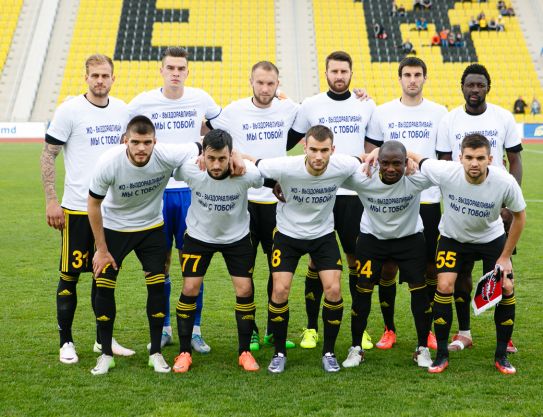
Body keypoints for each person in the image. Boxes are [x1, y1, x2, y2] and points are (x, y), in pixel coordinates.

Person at [87, 115, 202, 375]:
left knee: (157, 288)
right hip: (115, 228)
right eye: (136, 142)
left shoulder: (166, 153)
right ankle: (105, 353)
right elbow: (93, 205)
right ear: (125, 140)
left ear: (155, 141)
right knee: (104, 287)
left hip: (151, 228)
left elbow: (203, 145)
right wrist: (101, 250)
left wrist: (232, 157)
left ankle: (156, 354)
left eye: (147, 142)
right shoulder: (109, 162)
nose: (141, 148)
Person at [40, 54, 134, 365]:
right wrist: (52, 200)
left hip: (112, 211)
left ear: (113, 78)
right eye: (94, 75)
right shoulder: (69, 110)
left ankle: (102, 339)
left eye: (105, 75)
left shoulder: (123, 110)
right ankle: (66, 341)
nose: (100, 81)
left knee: (104, 276)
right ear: (86, 77)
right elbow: (48, 155)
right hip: (78, 209)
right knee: (70, 276)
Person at [128, 47, 222, 353]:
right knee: (161, 263)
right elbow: (121, 130)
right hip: (154, 192)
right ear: (161, 70)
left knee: (191, 262)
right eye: (171, 67)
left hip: (190, 191)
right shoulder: (142, 101)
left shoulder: (200, 99)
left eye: (181, 68)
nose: (176, 73)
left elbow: (222, 129)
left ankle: (194, 330)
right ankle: (165, 327)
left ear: (187, 71)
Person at [409, 134, 526, 374]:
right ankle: (441, 355)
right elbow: (416, 156)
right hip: (453, 238)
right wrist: (377, 153)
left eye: (480, 158)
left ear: (490, 159)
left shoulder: (505, 181)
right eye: (469, 157)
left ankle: (501, 355)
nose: (474, 163)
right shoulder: (446, 171)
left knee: (506, 286)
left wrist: (504, 257)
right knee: (444, 285)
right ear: (459, 158)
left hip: (490, 239)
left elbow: (520, 217)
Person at [206, 61, 299, 351]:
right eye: (260, 83)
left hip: (277, 201)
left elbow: (319, 111)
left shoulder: (288, 108)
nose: (265, 89)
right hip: (244, 201)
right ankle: (253, 331)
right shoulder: (233, 111)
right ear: (251, 81)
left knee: (278, 270)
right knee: (244, 271)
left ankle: (273, 328)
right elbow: (210, 135)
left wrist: (361, 95)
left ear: (277, 84)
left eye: (270, 84)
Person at [287, 51, 376, 351]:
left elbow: (373, 147)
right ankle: (311, 328)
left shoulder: (366, 104)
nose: (339, 76)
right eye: (334, 71)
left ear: (352, 73)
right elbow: (287, 141)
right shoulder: (310, 105)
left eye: (344, 71)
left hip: (353, 197)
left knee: (355, 262)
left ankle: (359, 329)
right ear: (325, 73)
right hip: (319, 193)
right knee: (316, 260)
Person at [256, 125, 362, 373]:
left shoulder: (343, 165)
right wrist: (271, 181)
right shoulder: (285, 166)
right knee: (280, 290)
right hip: (287, 235)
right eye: (313, 149)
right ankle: (279, 352)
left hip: (322, 235)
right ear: (304, 147)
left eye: (324, 150)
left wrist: (376, 155)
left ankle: (329, 352)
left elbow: (365, 159)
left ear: (332, 150)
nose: (318, 156)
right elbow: (255, 165)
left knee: (333, 289)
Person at [436, 63, 523, 354]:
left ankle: (505, 337)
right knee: (460, 278)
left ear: (488, 87)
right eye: (470, 85)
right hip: (461, 212)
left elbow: (515, 160)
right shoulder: (450, 120)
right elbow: (445, 164)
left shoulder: (503, 117)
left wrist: (509, 205)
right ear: (462, 87)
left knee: (502, 275)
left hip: (496, 209)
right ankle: (464, 332)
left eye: (480, 85)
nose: (475, 90)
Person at [365, 57, 447, 350]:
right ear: (399, 78)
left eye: (417, 75)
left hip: (428, 198)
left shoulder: (439, 112)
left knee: (429, 269)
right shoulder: (383, 112)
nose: (412, 79)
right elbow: (371, 151)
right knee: (387, 270)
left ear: (425, 78)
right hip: (393, 200)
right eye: (407, 75)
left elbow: (444, 156)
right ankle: (389, 329)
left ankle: (429, 331)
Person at [171, 129, 263, 373]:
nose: (216, 164)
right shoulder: (191, 170)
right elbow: (169, 164)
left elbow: (266, 177)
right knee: (190, 288)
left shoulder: (246, 173)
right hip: (199, 237)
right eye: (211, 158)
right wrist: (195, 155)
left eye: (222, 158)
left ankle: (244, 352)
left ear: (230, 154)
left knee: (244, 289)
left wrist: (242, 158)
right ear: (204, 154)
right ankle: (183, 352)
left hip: (237, 238)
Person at [341, 141, 434, 369]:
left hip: (410, 240)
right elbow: (330, 170)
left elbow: (440, 169)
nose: (391, 169)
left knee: (420, 294)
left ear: (406, 163)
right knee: (362, 293)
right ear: (377, 163)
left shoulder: (416, 178)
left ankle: (422, 347)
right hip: (372, 241)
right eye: (385, 163)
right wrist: (366, 155)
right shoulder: (363, 178)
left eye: (397, 163)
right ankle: (356, 347)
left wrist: (412, 156)